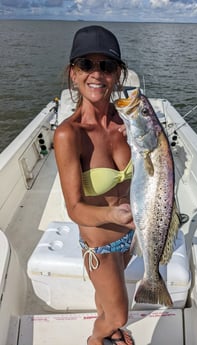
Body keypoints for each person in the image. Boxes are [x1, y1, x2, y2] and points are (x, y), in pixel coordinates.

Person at [54, 26, 135, 345]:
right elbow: (74, 208)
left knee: (106, 298)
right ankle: (96, 339)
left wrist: (144, 143)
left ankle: (110, 331)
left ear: (118, 74)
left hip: (130, 236)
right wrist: (114, 217)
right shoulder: (68, 134)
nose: (97, 73)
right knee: (118, 314)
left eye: (107, 66)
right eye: (87, 64)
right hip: (99, 246)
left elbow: (156, 171)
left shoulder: (128, 122)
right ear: (73, 73)